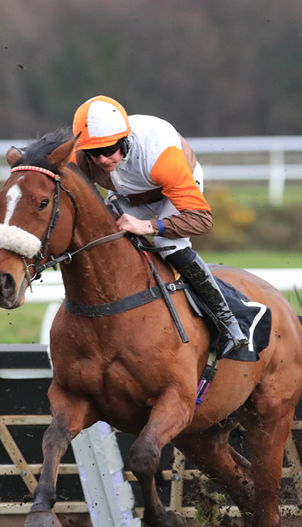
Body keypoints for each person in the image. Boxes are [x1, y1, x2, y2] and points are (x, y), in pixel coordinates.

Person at [72, 95, 248, 357]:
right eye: (92, 153)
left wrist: (149, 226)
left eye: (108, 150)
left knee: (167, 245)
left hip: (172, 192)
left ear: (124, 140)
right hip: (129, 196)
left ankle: (228, 322)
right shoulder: (84, 158)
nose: (100, 160)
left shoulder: (163, 157)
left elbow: (202, 220)